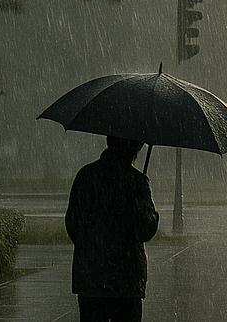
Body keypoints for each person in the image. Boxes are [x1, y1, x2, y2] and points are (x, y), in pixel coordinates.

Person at [66, 136, 159, 322]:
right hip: (126, 280)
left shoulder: (85, 175)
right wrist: (151, 215)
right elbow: (146, 230)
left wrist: (92, 246)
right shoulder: (136, 181)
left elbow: (73, 225)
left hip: (90, 278)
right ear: (134, 148)